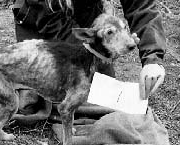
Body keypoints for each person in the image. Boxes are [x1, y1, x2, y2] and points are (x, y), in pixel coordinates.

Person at [9, 0, 166, 124]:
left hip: (87, 13)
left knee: (104, 98)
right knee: (60, 96)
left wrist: (152, 59)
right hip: (43, 18)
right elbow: (51, 22)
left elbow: (142, 6)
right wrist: (95, 53)